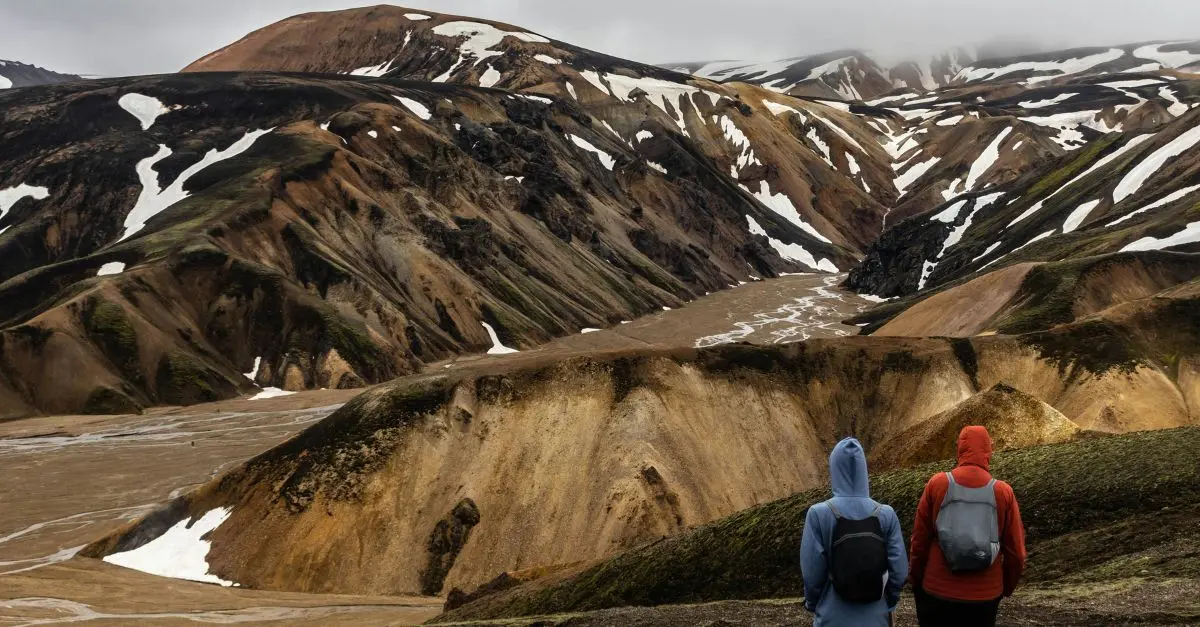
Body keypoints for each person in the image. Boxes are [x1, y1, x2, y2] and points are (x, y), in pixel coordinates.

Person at [909, 426, 1027, 627]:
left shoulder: (937, 484)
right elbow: (1017, 553)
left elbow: (919, 541)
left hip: (938, 591)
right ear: (988, 450)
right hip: (985, 596)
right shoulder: (1003, 492)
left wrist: (916, 579)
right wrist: (1004, 588)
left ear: (960, 449)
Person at [801, 437, 908, 626]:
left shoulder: (818, 514)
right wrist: (887, 604)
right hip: (877, 618)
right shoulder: (886, 514)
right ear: (863, 470)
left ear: (834, 469)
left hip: (831, 618)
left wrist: (814, 605)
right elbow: (899, 572)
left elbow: (812, 575)